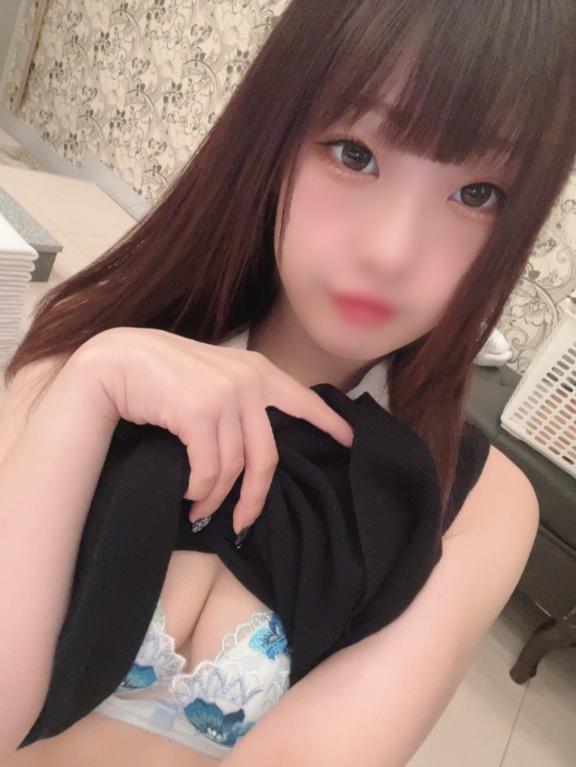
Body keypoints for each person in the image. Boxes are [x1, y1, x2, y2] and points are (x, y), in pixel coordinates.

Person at [1, 0, 574, 765]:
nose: (390, 251)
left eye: (478, 195)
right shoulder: (92, 350)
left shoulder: (478, 501)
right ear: (275, 137)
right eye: (355, 153)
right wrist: (93, 385)